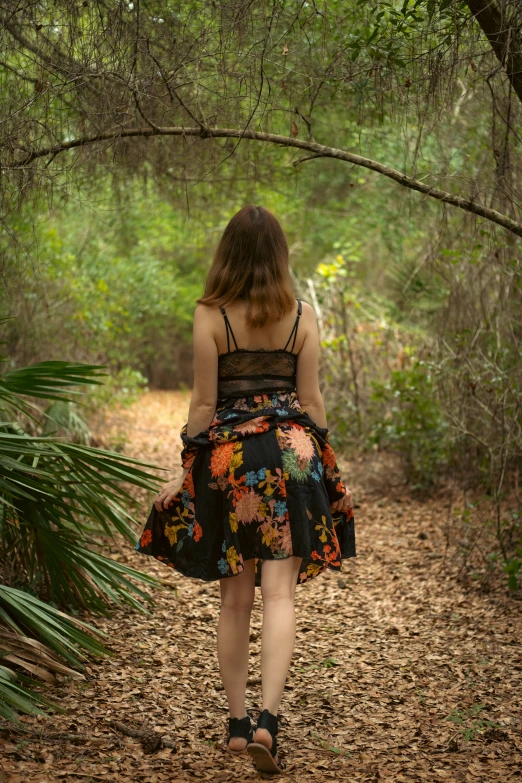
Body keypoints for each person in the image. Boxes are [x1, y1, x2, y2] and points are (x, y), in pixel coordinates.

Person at [135, 204, 356, 774]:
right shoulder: (304, 314)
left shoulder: (211, 313)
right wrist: (329, 467)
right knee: (280, 596)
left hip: (232, 460)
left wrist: (185, 469)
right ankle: (268, 723)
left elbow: (205, 405)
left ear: (227, 253)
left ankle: (236, 728)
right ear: (280, 255)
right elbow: (311, 401)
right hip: (293, 454)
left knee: (236, 598)